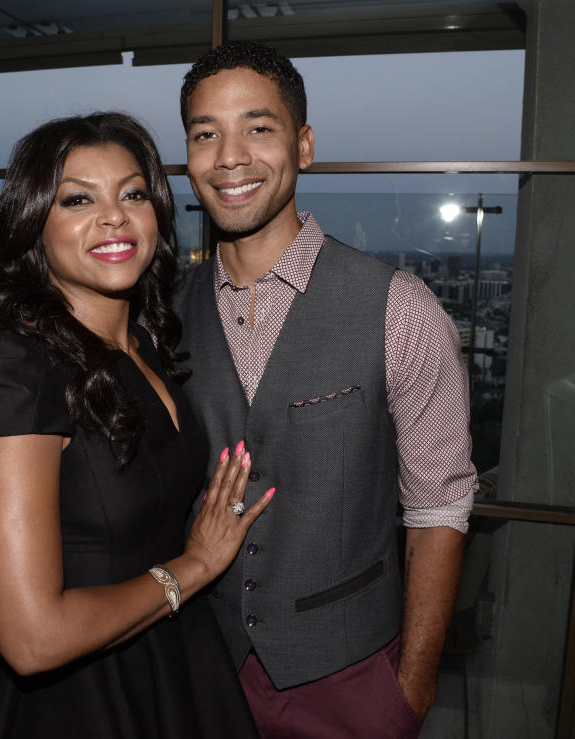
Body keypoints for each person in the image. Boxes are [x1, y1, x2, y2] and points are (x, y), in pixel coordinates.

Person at [0, 112, 273, 738]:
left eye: (133, 194)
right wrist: (195, 565)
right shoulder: (16, 370)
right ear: (34, 224)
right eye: (78, 198)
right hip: (70, 697)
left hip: (164, 652)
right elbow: (32, 640)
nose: (113, 216)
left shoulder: (146, 341)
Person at [172, 41, 477, 738]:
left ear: (303, 146)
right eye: (205, 134)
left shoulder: (399, 308)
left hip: (348, 677)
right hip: (200, 663)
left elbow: (440, 506)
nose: (229, 157)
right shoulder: (163, 313)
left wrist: (411, 691)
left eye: (258, 127)